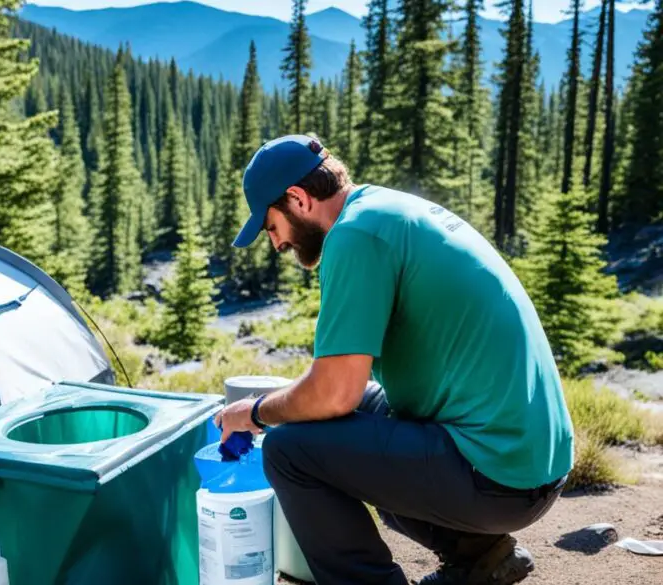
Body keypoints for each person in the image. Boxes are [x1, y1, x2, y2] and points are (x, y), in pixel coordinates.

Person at [214, 134, 573, 585]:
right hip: (530, 458)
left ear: (297, 198)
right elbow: (341, 391)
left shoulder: (353, 238)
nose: (276, 243)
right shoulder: (381, 210)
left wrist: (257, 413)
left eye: (271, 227)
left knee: (291, 452)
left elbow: (333, 393)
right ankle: (484, 559)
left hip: (502, 478)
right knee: (356, 416)